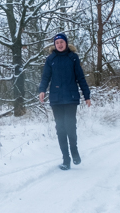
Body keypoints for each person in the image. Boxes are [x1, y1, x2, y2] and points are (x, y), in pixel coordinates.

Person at [38, 33, 91, 170]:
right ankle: (66, 159)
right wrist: (42, 90)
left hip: (71, 98)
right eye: (57, 43)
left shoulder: (73, 58)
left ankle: (74, 150)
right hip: (56, 99)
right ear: (54, 45)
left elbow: (80, 77)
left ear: (66, 43)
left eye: (62, 42)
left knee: (70, 126)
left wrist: (87, 96)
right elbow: (45, 77)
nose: (60, 44)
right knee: (60, 129)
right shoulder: (51, 59)